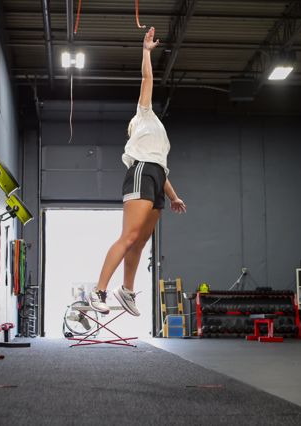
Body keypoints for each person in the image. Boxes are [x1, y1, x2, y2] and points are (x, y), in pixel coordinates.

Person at [88, 27, 186, 316]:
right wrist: (145, 52)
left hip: (156, 176)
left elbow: (162, 170)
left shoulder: (158, 137)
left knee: (141, 241)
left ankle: (127, 290)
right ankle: (98, 290)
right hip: (142, 174)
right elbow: (147, 78)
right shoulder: (143, 114)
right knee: (129, 236)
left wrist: (174, 197)